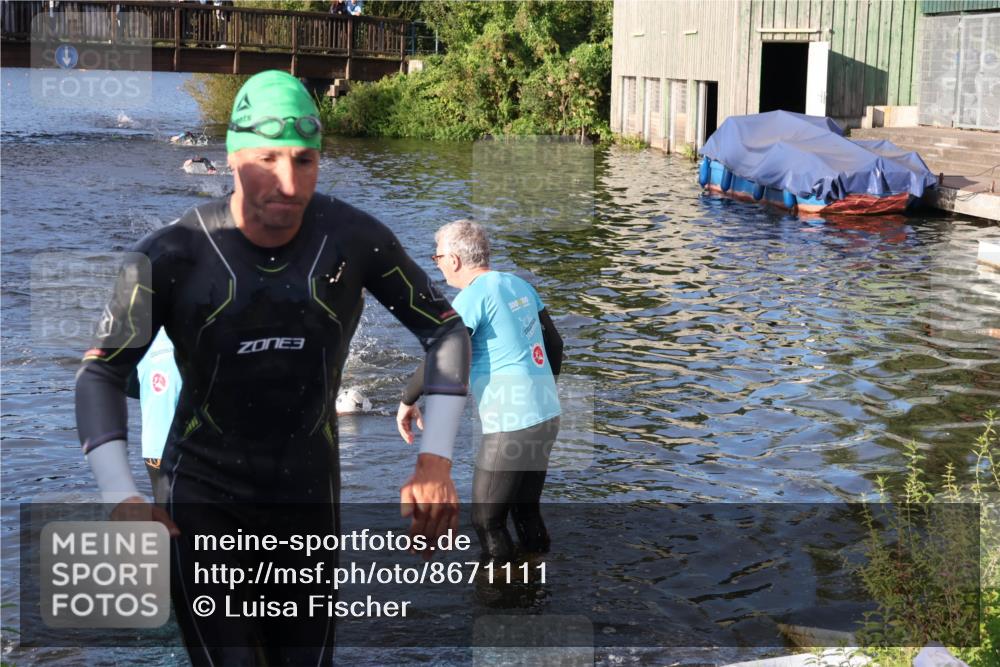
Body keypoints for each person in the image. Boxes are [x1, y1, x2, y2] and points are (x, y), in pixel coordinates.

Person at [76, 70, 470, 665]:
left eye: (305, 161)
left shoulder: (352, 238)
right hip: (203, 495)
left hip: (307, 493)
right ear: (234, 157)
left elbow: (445, 330)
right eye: (267, 159)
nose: (288, 182)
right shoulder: (172, 253)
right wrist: (120, 494)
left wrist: (435, 457)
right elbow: (101, 372)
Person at [396, 220, 563, 564]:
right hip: (546, 413)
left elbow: (441, 356)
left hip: (511, 421)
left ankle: (502, 594)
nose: (437, 263)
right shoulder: (519, 284)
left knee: (486, 520)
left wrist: (407, 401)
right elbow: (555, 345)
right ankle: (538, 578)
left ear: (454, 259)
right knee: (525, 509)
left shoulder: (473, 297)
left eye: (438, 256)